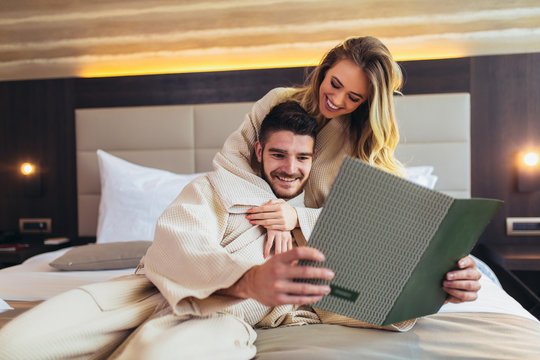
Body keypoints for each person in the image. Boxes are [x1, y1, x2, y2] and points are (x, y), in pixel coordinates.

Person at [0, 101, 355, 360]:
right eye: (278, 154)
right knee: (13, 345)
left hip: (220, 316)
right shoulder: (214, 189)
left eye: (302, 158)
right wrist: (249, 279)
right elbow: (179, 242)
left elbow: (347, 293)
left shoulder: (316, 222)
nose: (290, 168)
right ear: (259, 151)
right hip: (143, 293)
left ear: (313, 160)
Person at [214, 35, 481, 304]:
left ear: (367, 102)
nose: (336, 100)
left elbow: (366, 223)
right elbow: (232, 164)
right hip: (252, 240)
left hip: (324, 266)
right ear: (324, 70)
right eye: (335, 84)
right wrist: (274, 213)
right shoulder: (277, 102)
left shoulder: (363, 147)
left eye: (353, 97)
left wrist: (296, 218)